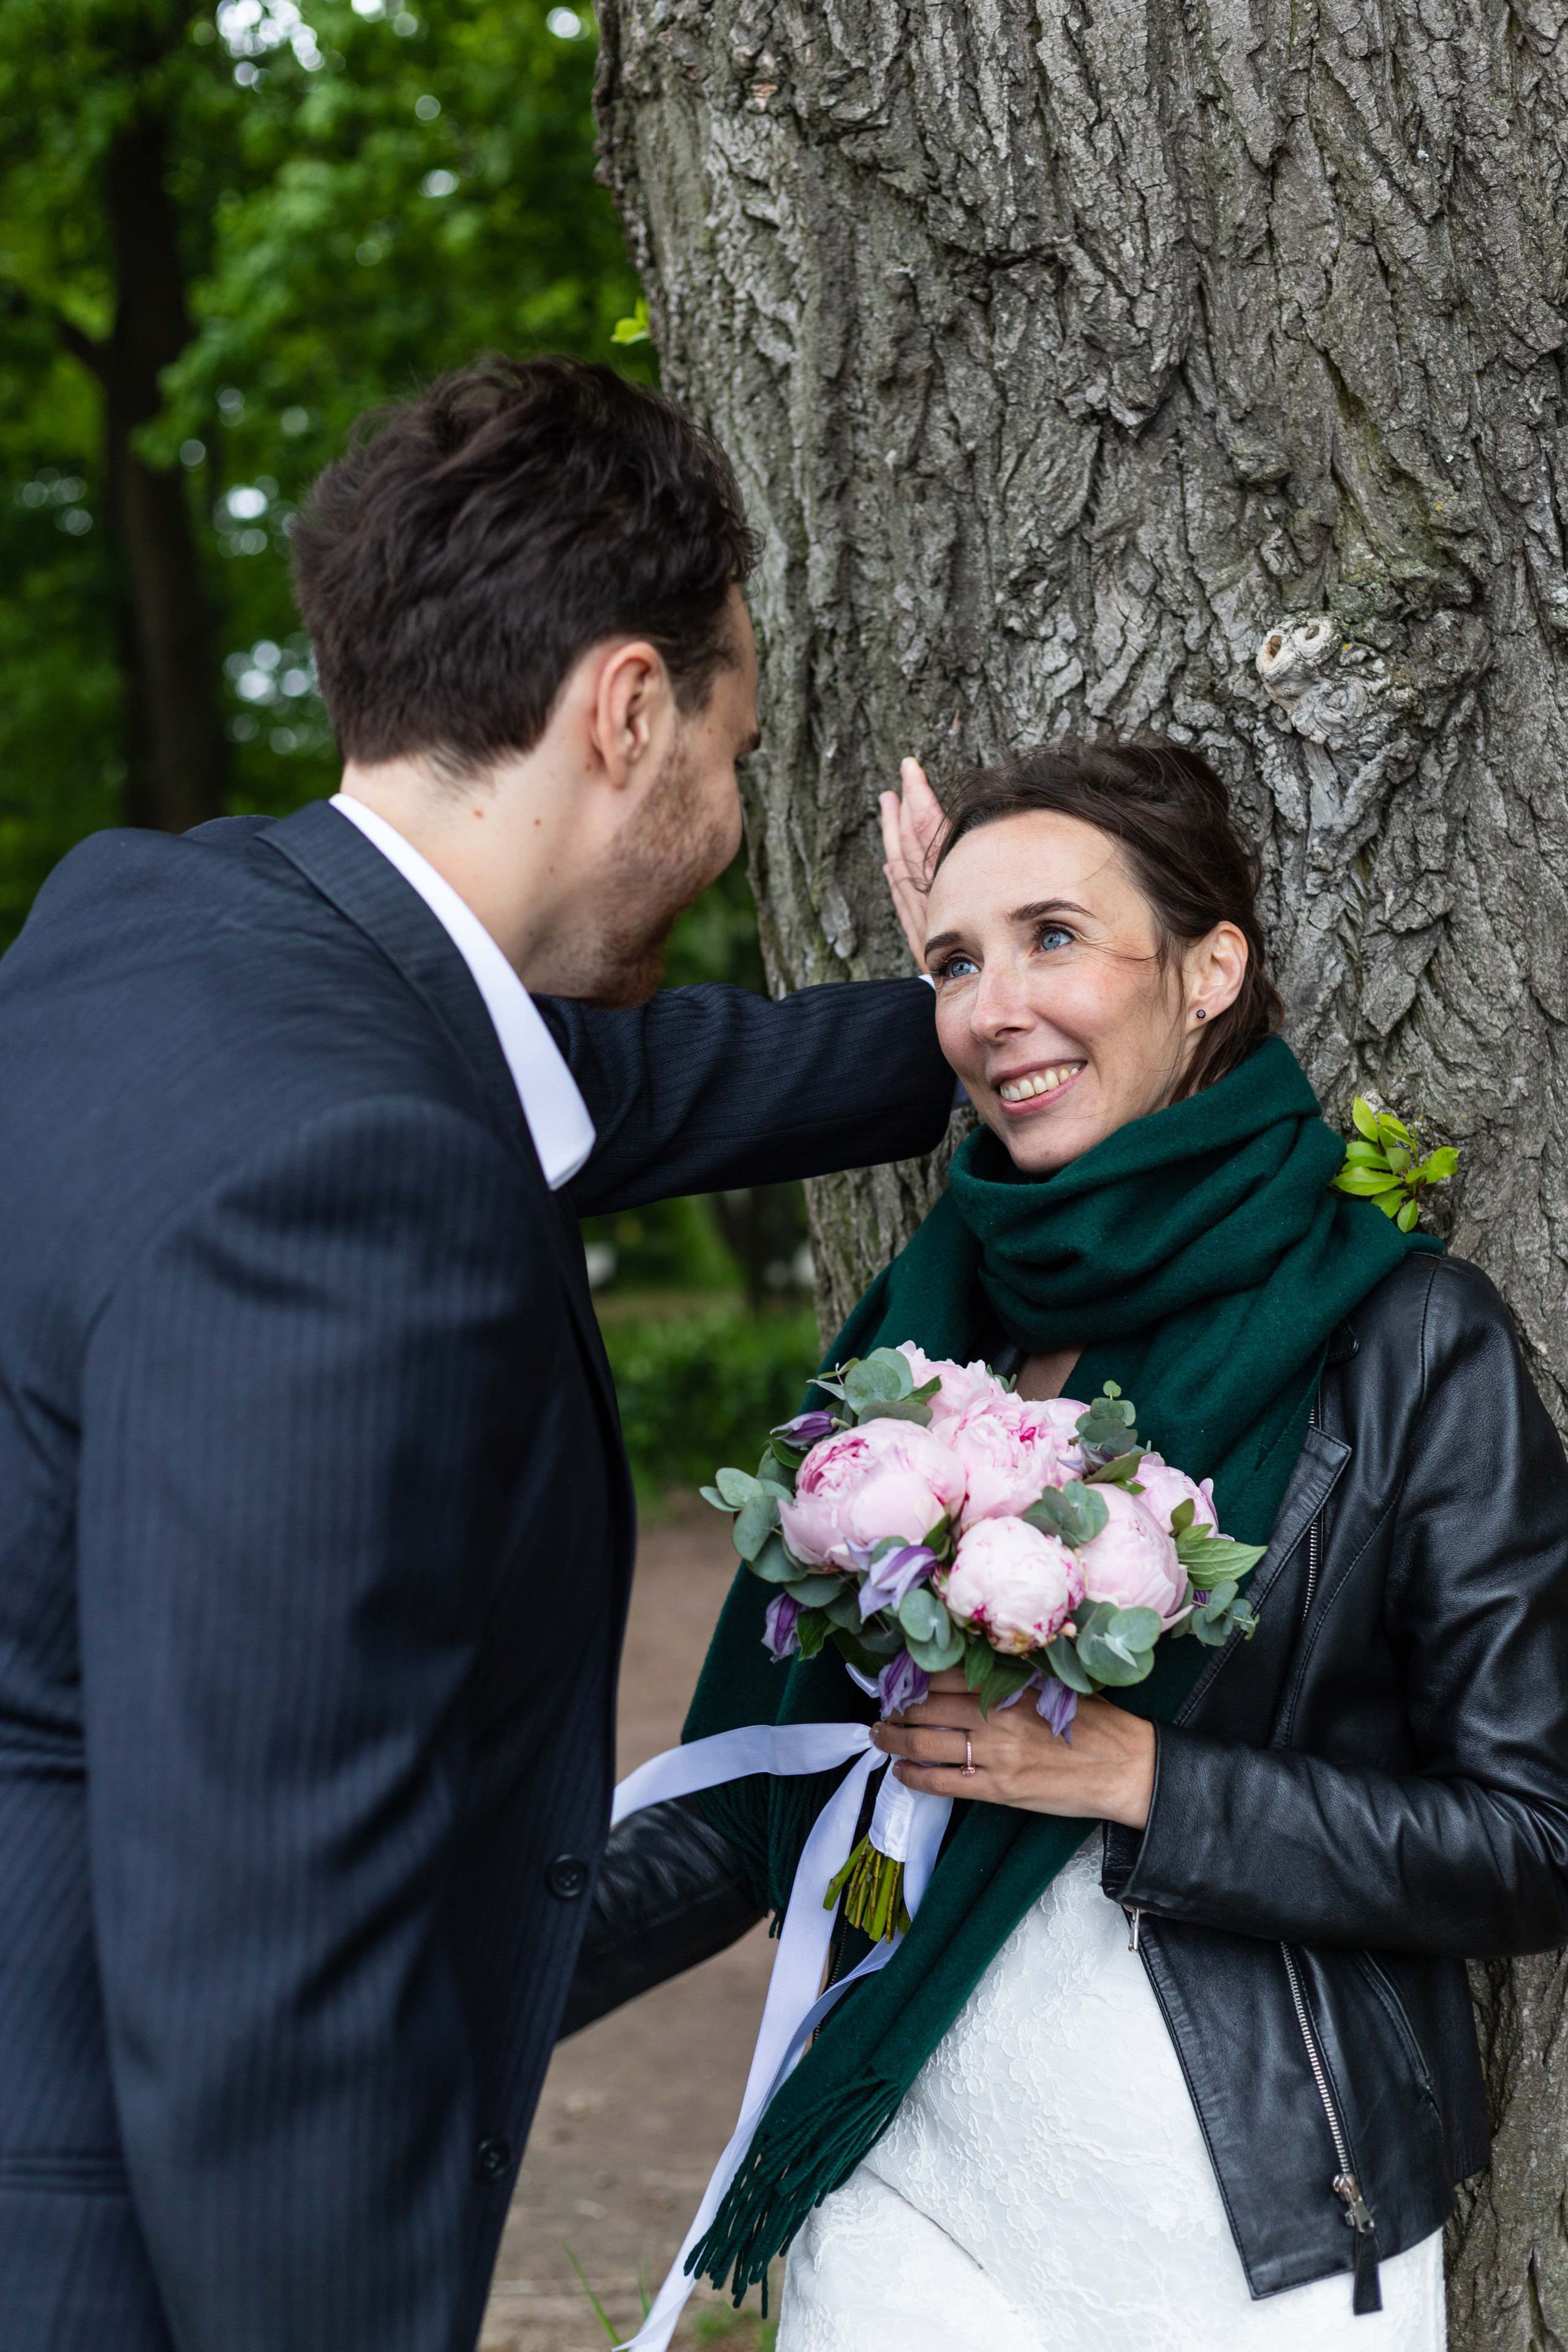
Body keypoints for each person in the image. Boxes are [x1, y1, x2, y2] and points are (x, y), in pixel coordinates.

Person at [0, 357, 959, 2352]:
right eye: (733, 747)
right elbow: (273, 1983)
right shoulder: (351, 1178)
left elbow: (584, 1084)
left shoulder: (158, 925)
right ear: (626, 709)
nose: (728, 818)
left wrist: (976, 1024)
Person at [577, 739, 1568, 2350]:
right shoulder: (923, 1330)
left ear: (1211, 968)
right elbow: (763, 1791)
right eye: (955, 960)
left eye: (1054, 936)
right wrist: (411, 2006)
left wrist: (1145, 1780)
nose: (990, 1003)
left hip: (1254, 2228)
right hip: (903, 2174)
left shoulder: (1402, 1342)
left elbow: (1534, 1835)